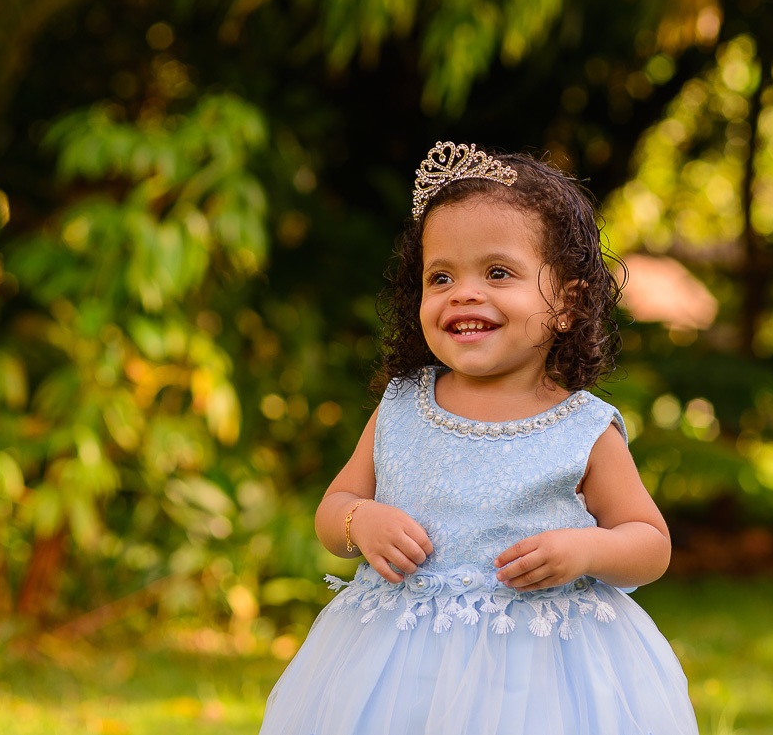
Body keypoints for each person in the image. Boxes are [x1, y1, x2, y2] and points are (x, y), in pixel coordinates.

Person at [259, 142, 699, 735]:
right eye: (440, 277)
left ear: (566, 303)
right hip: (398, 662)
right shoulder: (401, 407)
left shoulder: (582, 428)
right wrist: (358, 520)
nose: (463, 292)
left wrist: (586, 551)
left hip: (541, 671)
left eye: (498, 272)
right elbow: (331, 510)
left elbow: (650, 543)